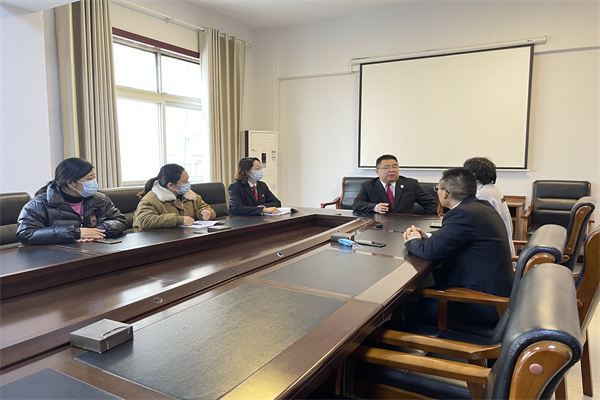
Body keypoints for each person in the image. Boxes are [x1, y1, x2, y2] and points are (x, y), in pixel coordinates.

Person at [403, 167, 514, 323]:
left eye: (437, 189)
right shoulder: (480, 206)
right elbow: (457, 236)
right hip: (495, 289)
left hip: (480, 300)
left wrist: (412, 240)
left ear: (445, 193)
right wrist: (427, 236)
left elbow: (429, 252)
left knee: (407, 306)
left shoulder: (461, 214)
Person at [16, 158, 127, 245]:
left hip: (91, 251)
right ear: (70, 183)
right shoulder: (39, 204)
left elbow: (119, 220)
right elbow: (26, 234)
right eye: (89, 178)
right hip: (51, 257)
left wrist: (96, 231)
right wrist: (76, 233)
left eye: (94, 177)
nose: (94, 182)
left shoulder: (100, 199)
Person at [133, 164, 216, 229]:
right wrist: (178, 220)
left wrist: (204, 213)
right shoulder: (150, 199)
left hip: (184, 236)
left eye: (188, 179)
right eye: (185, 181)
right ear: (171, 185)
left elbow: (206, 208)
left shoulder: (190, 195)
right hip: (157, 241)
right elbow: (144, 221)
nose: (188, 183)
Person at [463, 156, 516, 258]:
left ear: (473, 175)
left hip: (493, 254)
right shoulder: (492, 189)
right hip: (500, 248)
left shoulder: (482, 195)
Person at [352, 154, 438, 215]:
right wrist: (375, 207)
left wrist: (424, 221)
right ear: (377, 171)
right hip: (378, 225)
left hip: (405, 226)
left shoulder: (411, 184)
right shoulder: (368, 186)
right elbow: (357, 204)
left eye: (395, 166)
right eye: (386, 167)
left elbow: (431, 203)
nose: (392, 170)